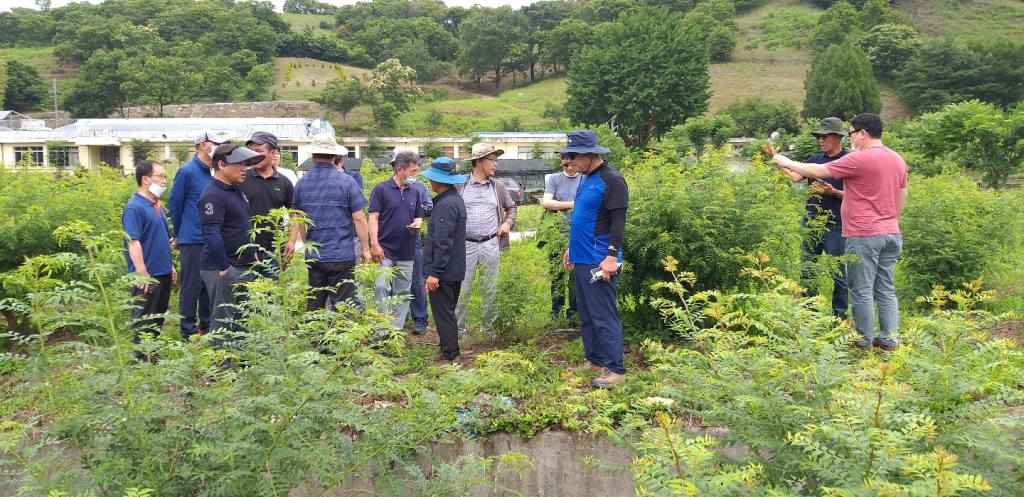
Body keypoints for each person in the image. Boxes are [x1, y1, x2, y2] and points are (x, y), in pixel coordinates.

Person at [770, 113, 908, 352]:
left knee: (861, 289)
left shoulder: (860, 158)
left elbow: (818, 170)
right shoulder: (897, 159)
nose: (851, 138)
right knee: (885, 288)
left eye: (852, 133)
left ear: (863, 133)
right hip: (891, 233)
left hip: (864, 233)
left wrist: (784, 160)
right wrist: (890, 220)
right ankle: (889, 341)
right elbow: (902, 195)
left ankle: (863, 340)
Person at [561, 129, 629, 388]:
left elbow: (618, 223)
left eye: (574, 155)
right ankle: (595, 357)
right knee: (587, 313)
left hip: (599, 259)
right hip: (581, 257)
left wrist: (611, 257)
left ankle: (615, 368)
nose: (570, 161)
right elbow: (585, 219)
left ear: (591, 154)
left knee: (603, 315)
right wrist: (571, 248)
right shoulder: (585, 177)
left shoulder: (612, 180)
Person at [764, 117, 849, 319]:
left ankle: (840, 318)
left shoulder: (849, 161)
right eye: (819, 136)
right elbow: (794, 178)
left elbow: (858, 196)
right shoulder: (814, 160)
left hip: (835, 225)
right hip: (811, 222)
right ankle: (809, 315)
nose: (821, 140)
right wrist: (778, 162)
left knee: (839, 273)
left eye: (825, 135)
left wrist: (833, 192)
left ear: (838, 136)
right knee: (807, 268)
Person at [293, 133, 371, 311]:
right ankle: (340, 337)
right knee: (343, 305)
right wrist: (365, 249)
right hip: (341, 253)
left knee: (315, 302)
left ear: (312, 156)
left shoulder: (302, 183)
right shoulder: (347, 182)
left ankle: (314, 338)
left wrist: (307, 245)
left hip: (315, 255)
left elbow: (299, 219)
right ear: (336, 156)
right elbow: (359, 218)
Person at [198, 145, 265, 344]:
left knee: (245, 318)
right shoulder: (212, 196)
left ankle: (245, 364)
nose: (244, 168)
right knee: (223, 321)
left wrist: (251, 252)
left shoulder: (236, 191)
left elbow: (240, 224)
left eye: (246, 164)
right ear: (221, 164)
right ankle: (221, 369)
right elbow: (211, 233)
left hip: (243, 264)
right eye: (239, 164)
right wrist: (223, 268)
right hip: (223, 267)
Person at [454, 143, 518, 336]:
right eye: (492, 160)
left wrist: (508, 224)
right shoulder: (460, 184)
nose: (495, 164)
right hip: (465, 245)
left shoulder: (497, 187)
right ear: (479, 162)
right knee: (462, 288)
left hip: (491, 244)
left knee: (490, 287)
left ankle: (489, 327)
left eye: (496, 160)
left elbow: (512, 208)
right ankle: (457, 330)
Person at [169, 130, 227, 340]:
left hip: (211, 237)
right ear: (204, 145)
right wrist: (177, 233)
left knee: (208, 286)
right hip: (192, 237)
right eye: (216, 143)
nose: (220, 148)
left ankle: (207, 326)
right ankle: (188, 329)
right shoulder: (187, 171)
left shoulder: (213, 171)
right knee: (191, 284)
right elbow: (175, 204)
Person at [122, 160, 176, 362]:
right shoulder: (134, 208)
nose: (164, 181)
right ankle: (139, 358)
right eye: (160, 176)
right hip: (147, 274)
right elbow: (133, 242)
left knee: (158, 316)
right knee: (143, 316)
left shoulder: (157, 206)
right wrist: (141, 272)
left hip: (161, 270)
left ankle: (152, 353)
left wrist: (170, 266)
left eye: (164, 176)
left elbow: (161, 238)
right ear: (145, 179)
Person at [368, 149, 424, 336]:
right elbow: (373, 217)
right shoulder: (381, 189)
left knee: (402, 293)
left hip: (406, 250)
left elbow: (418, 216)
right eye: (413, 171)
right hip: (384, 249)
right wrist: (374, 244)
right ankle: (381, 332)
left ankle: (395, 332)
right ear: (400, 170)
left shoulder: (414, 191)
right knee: (382, 287)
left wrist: (417, 224)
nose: (415, 175)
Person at [420, 157, 467, 363]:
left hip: (444, 270)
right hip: (454, 268)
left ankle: (452, 355)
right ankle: (446, 348)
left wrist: (435, 273)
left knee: (444, 313)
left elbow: (443, 242)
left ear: (436, 180)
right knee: (446, 310)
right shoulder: (455, 199)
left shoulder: (445, 205)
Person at [243, 131, 295, 277]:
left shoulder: (284, 182)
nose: (254, 156)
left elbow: (294, 214)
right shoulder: (241, 179)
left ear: (273, 153)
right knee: (246, 296)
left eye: (259, 151)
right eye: (251, 152)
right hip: (245, 249)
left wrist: (291, 241)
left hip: (274, 250)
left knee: (273, 296)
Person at [540, 152, 583, 326]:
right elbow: (547, 202)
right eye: (566, 164)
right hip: (557, 234)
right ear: (562, 162)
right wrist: (572, 204)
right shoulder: (555, 179)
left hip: (578, 233)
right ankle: (556, 310)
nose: (570, 168)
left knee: (574, 274)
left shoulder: (584, 178)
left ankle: (573, 311)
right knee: (556, 274)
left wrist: (559, 204)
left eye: (573, 164)